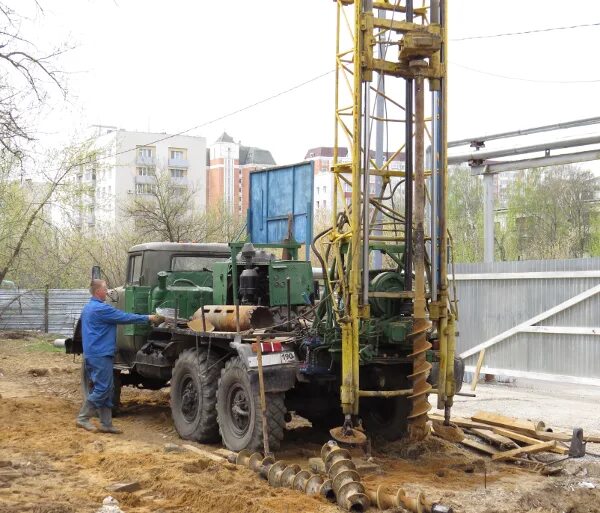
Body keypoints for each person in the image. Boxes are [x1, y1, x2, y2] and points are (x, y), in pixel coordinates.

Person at [76, 279, 163, 434]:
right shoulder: (101, 309)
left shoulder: (88, 308)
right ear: (98, 292)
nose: (108, 291)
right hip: (100, 354)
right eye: (105, 289)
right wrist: (149, 318)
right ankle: (83, 417)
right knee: (103, 388)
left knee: (106, 388)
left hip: (94, 353)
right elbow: (124, 317)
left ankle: (106, 424)